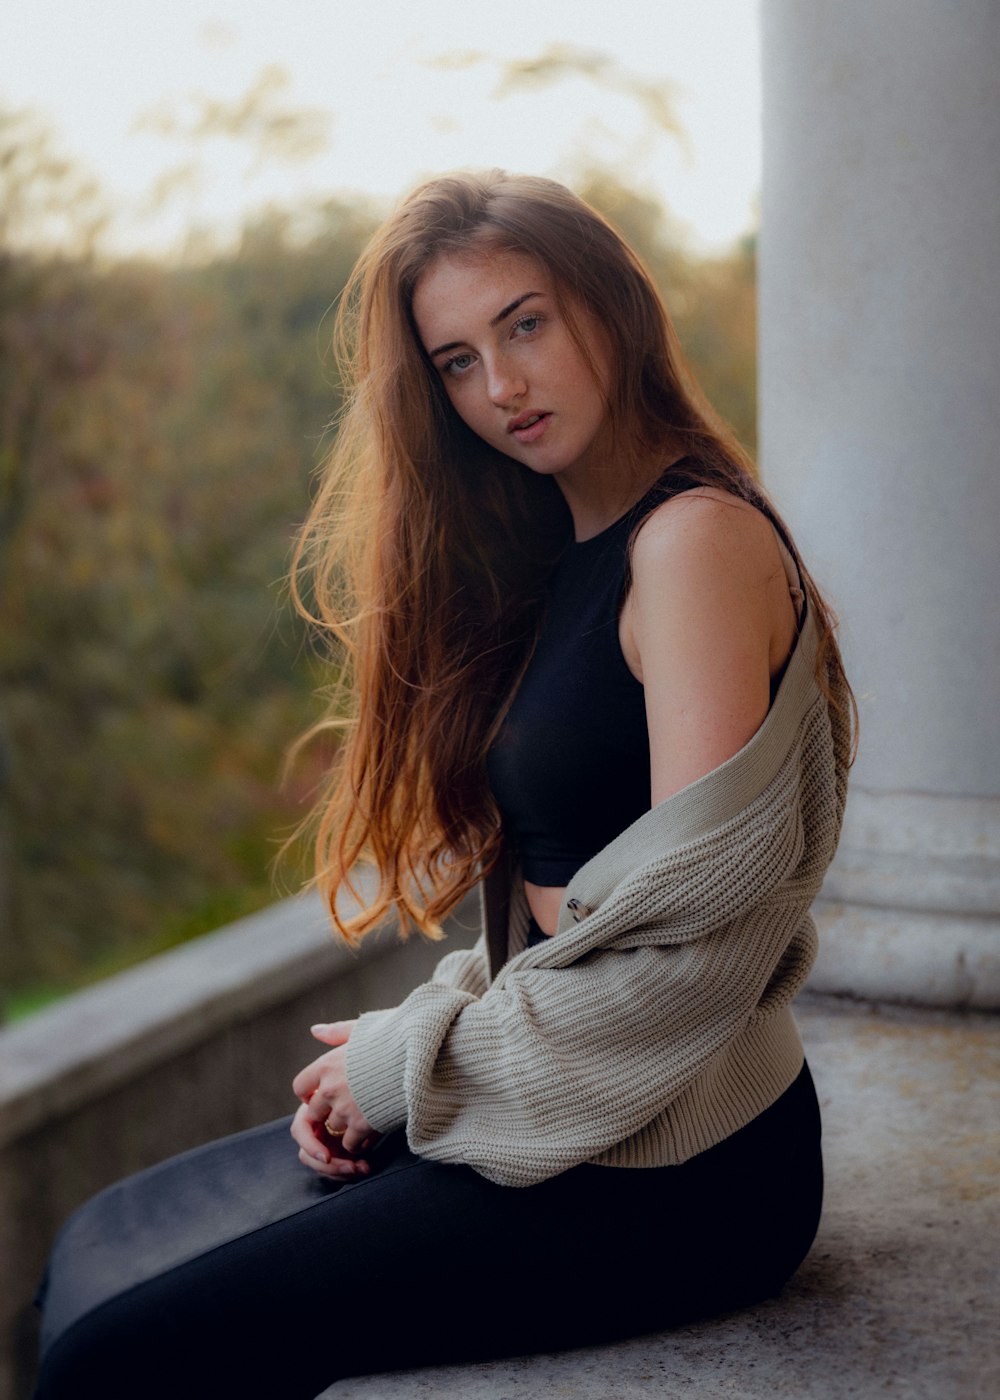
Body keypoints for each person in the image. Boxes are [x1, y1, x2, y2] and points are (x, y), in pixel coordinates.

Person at [34, 171, 854, 1399]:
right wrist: (412, 1050)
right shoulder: (562, 553)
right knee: (92, 1243)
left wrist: (402, 1063)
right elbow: (554, 897)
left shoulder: (690, 545)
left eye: (526, 324)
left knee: (118, 1348)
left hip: (682, 1166)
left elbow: (691, 954)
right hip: (574, 1102)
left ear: (614, 308)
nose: (501, 387)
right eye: (457, 361)